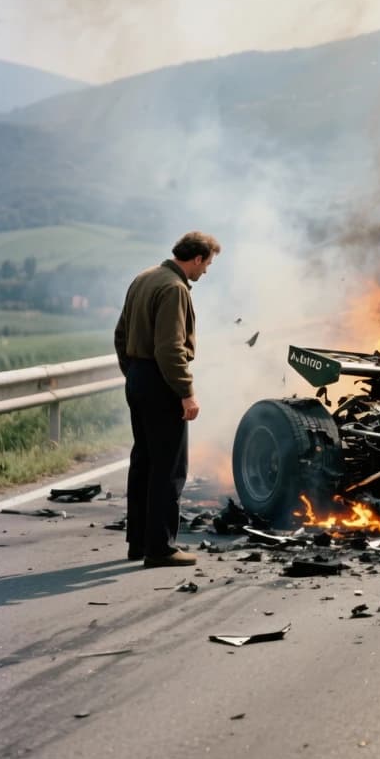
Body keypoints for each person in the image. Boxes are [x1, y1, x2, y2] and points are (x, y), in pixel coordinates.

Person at [114, 231, 221, 567]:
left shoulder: (144, 278)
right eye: (207, 265)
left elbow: (120, 335)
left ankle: (139, 542)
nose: (205, 273)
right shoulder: (174, 288)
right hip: (161, 383)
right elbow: (170, 349)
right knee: (169, 468)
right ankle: (160, 548)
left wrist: (133, 373)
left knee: (143, 462)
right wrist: (186, 393)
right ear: (197, 258)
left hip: (138, 378)